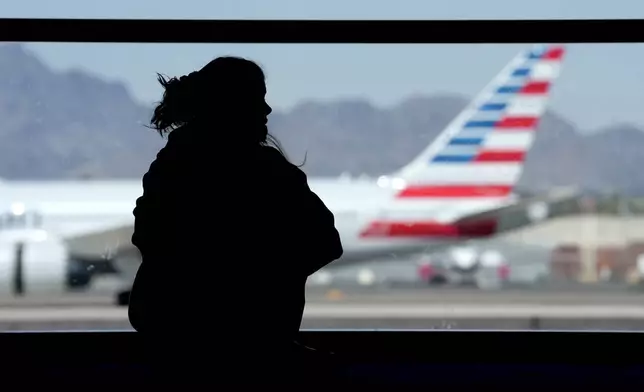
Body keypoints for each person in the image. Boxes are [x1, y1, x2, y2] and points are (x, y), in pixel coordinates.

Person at [127, 56, 344, 384]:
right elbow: (325, 242)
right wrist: (269, 283)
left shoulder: (169, 169)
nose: (267, 111)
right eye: (258, 99)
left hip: (171, 348)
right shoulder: (267, 172)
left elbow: (151, 241)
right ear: (231, 106)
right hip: (257, 352)